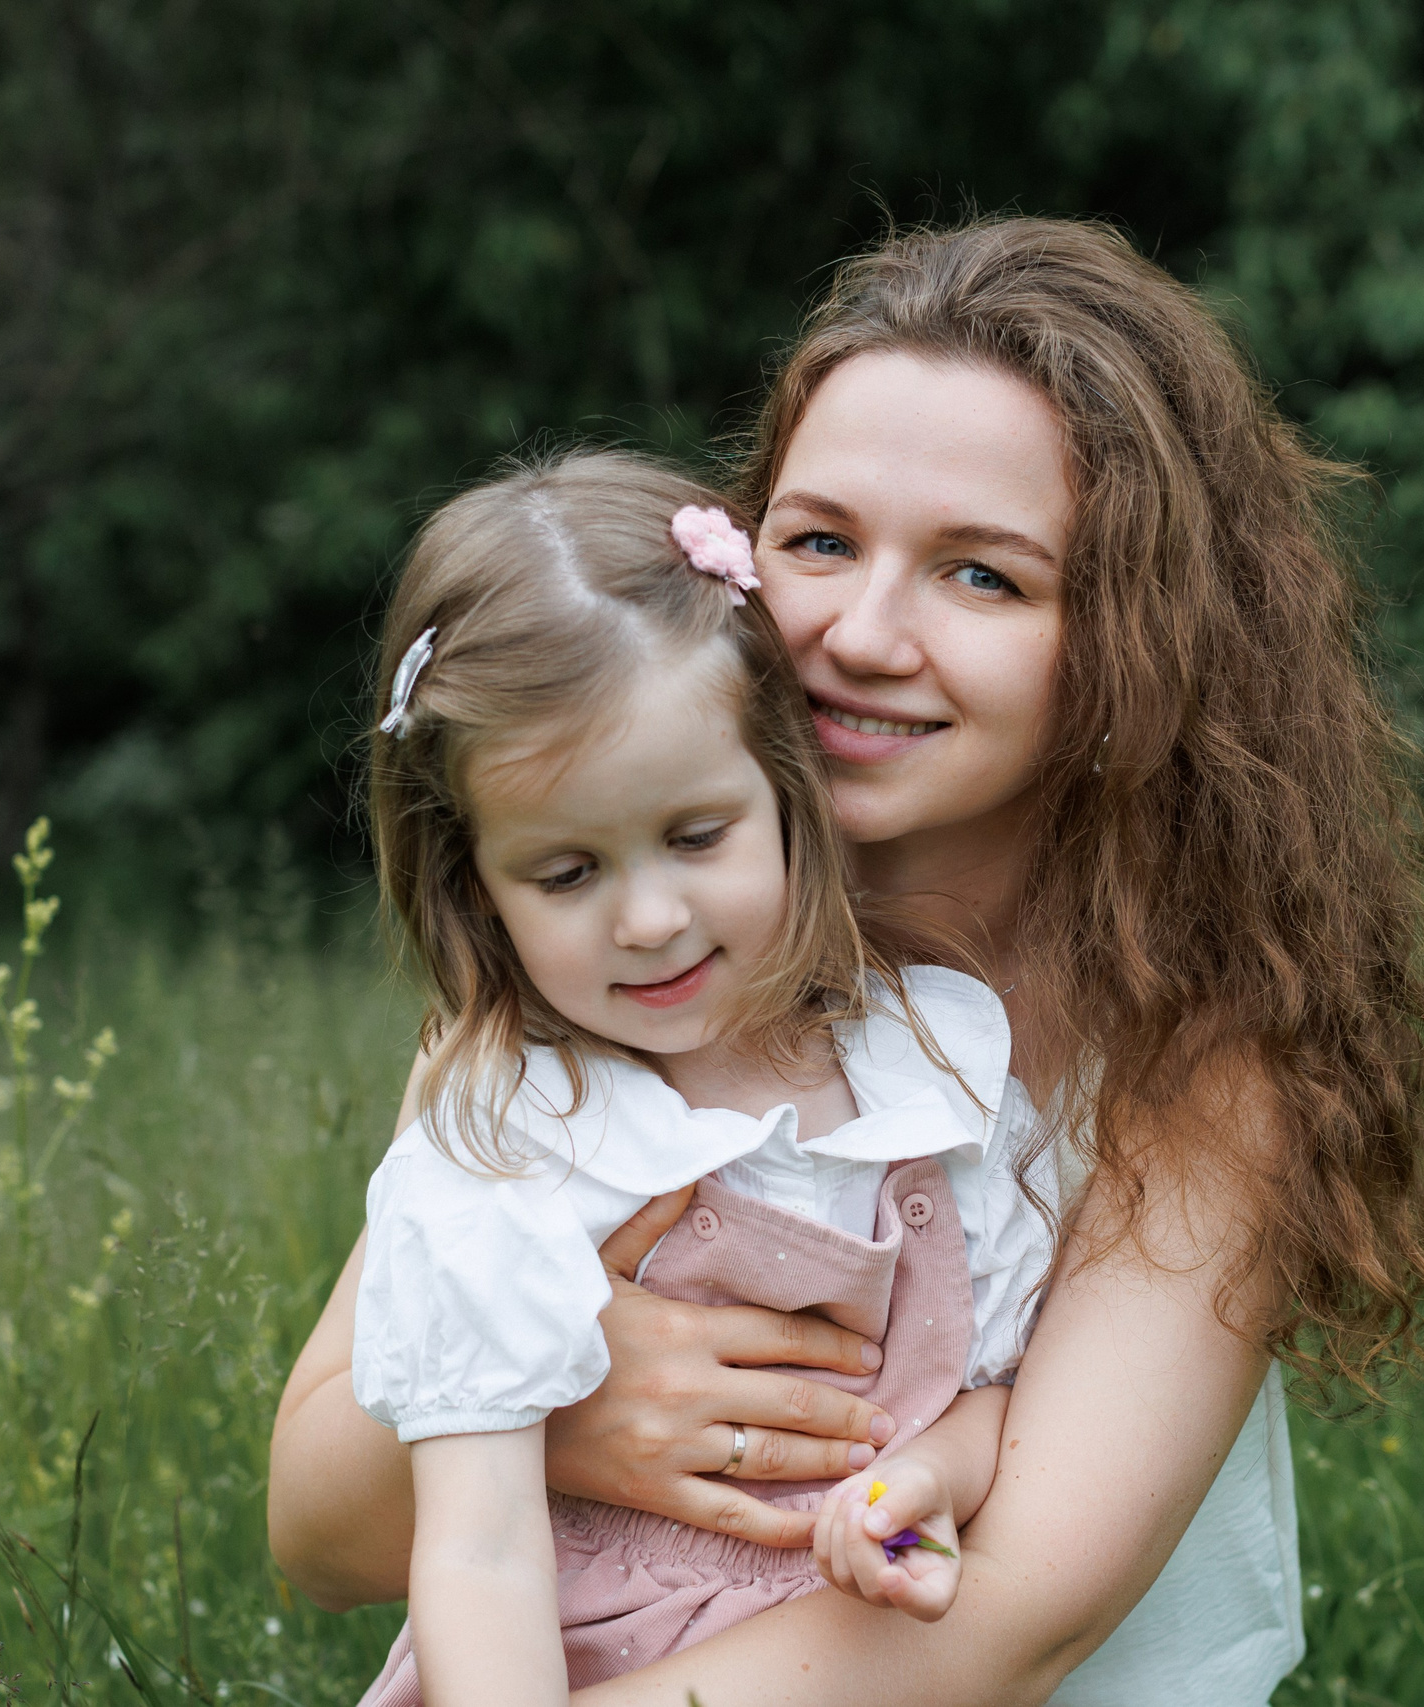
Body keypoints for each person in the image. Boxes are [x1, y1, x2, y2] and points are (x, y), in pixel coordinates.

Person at [271, 216, 1424, 1706]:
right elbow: (319, 1525)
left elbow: (1007, 1619)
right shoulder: (614, 968)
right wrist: (574, 1410)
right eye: (821, 540)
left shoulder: (1200, 1043)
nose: (859, 631)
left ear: (1132, 637)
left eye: (983, 577)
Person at [345, 448, 1060, 1707]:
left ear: (786, 792)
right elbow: (478, 1544)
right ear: (477, 888)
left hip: (849, 1663)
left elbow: (999, 1393)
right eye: (566, 874)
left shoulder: (930, 1065)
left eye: (694, 837)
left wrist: (924, 1486)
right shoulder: (513, 1138)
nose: (649, 918)